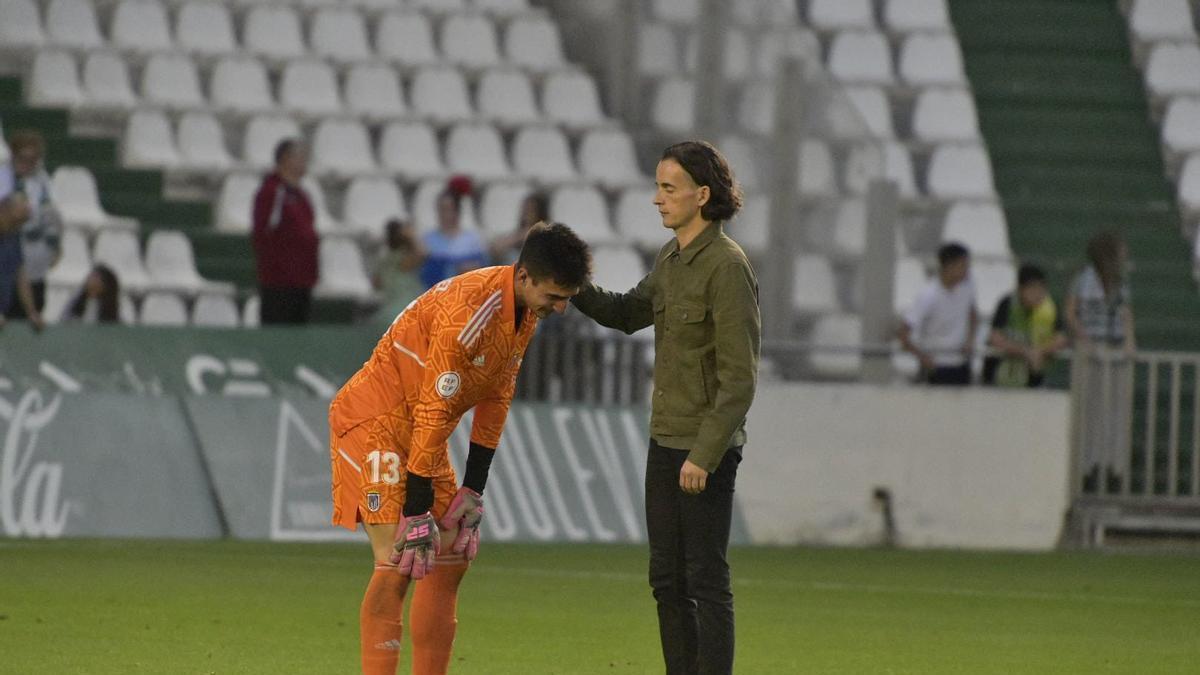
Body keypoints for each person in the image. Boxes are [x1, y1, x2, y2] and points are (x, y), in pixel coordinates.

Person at [328, 222, 591, 675]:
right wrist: (416, 509)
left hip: (421, 430)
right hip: (378, 421)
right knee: (398, 560)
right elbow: (434, 407)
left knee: (451, 553)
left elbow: (498, 394)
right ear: (525, 276)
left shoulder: (524, 312)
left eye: (567, 298)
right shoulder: (468, 313)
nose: (562, 309)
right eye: (555, 296)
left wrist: (473, 490)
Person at [570, 141, 760, 675]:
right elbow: (629, 312)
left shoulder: (727, 266)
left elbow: (739, 378)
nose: (656, 199)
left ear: (702, 195)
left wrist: (703, 455)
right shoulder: (671, 258)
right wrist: (572, 282)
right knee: (667, 580)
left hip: (704, 450)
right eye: (658, 186)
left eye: (668, 188)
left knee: (706, 579)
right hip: (664, 441)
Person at [1065, 230, 1136, 493]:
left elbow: (1126, 313)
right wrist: (1084, 339)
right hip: (1091, 351)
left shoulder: (1120, 283)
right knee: (1090, 411)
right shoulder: (1083, 281)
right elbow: (1071, 313)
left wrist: (1130, 341)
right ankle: (1088, 468)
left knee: (1115, 412)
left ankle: (1112, 468)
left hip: (1114, 348)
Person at [252, 139, 318, 325]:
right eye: (299, 156)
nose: (304, 161)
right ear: (285, 159)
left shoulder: (302, 195)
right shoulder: (273, 192)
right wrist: (275, 267)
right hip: (279, 282)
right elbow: (263, 233)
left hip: (302, 280)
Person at [898, 242, 978, 385]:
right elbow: (903, 334)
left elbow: (972, 313)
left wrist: (970, 340)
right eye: (963, 266)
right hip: (937, 366)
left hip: (961, 363)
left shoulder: (967, 287)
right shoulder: (929, 295)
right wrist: (923, 358)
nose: (967, 270)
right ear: (949, 266)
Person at [0, 129, 60, 322]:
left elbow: (21, 275)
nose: (26, 209)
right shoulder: (4, 177)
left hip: (31, 274)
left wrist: (32, 312)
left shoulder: (42, 183)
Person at [982, 264, 1068, 387]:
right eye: (1032, 289)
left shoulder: (1051, 308)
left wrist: (1040, 351)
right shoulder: (1008, 304)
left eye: (1041, 288)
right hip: (1000, 371)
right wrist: (1024, 352)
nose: (1038, 294)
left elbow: (1061, 339)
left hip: (1032, 373)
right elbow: (995, 337)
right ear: (1020, 289)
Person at [419, 176, 489, 288]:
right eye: (440, 209)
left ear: (457, 211)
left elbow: (483, 268)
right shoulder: (428, 239)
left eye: (447, 209)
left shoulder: (472, 239)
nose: (443, 214)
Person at [373, 218, 427, 322]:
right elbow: (423, 253)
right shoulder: (402, 259)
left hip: (389, 311)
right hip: (405, 311)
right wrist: (411, 237)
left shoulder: (384, 260)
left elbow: (376, 284)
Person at [489, 191, 549, 265]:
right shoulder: (519, 233)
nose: (526, 213)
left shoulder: (545, 231)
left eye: (531, 210)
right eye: (525, 209)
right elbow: (496, 247)